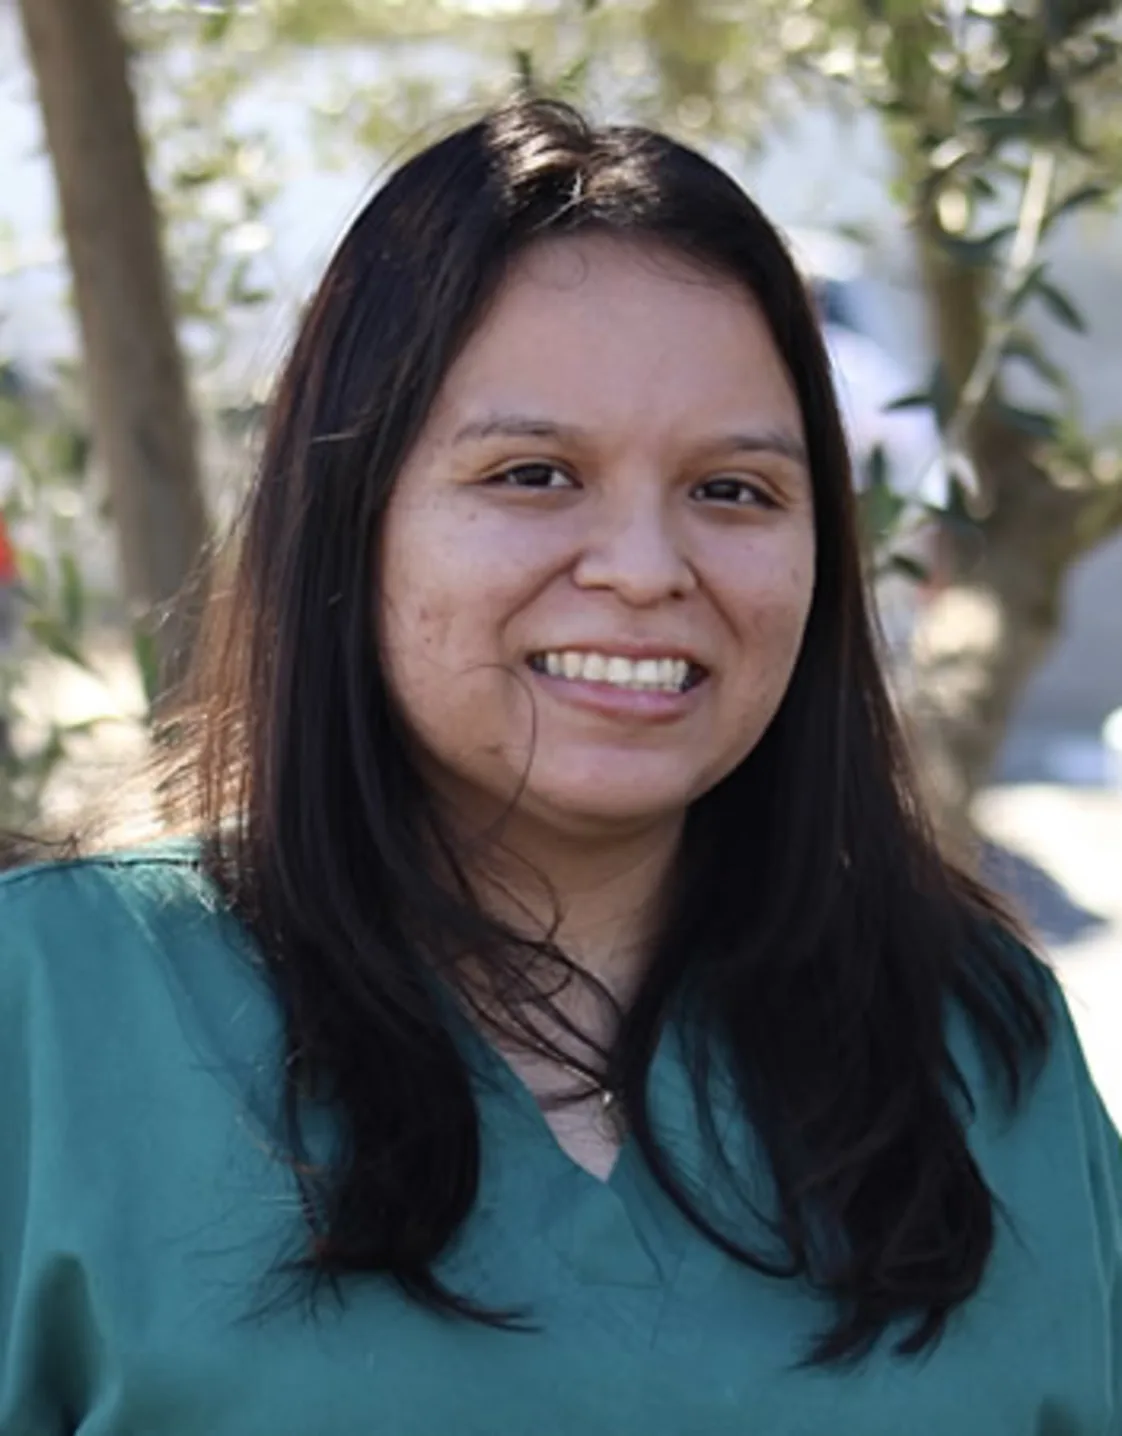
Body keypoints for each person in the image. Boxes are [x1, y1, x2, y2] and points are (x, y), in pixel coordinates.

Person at [0, 98, 1118, 1434]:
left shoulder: (977, 1043)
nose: (644, 570)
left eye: (733, 491)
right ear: (350, 525)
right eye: (533, 474)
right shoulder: (54, 1013)